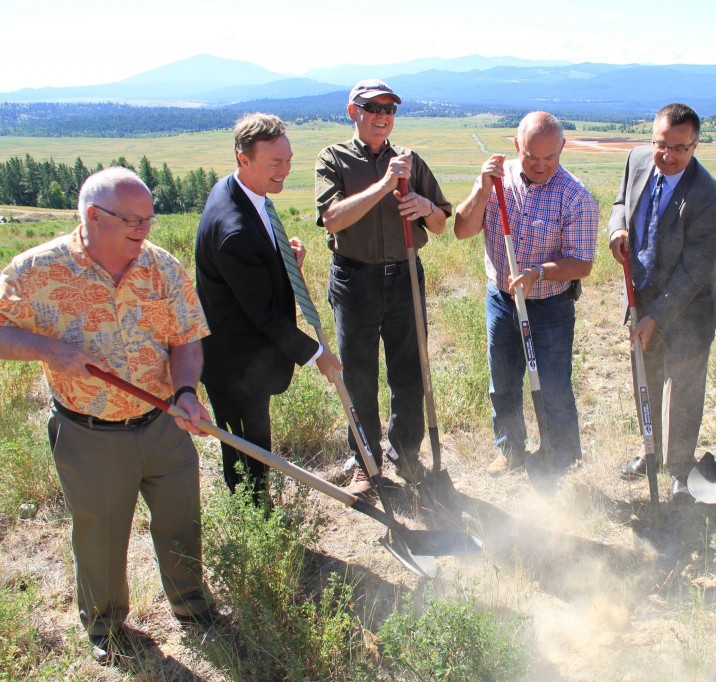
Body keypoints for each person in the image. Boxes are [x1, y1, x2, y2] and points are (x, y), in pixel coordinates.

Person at [0, 168, 217, 664]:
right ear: (94, 217)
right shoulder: (37, 270)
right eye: (134, 220)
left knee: (181, 522)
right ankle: (106, 628)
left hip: (163, 425)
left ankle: (192, 609)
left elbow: (185, 338)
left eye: (150, 219)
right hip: (90, 434)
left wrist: (185, 391)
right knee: (99, 534)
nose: (145, 229)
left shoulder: (161, 267)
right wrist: (46, 348)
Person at [196, 113, 342, 505]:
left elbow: (251, 272)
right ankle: (255, 525)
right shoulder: (235, 230)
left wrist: (283, 257)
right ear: (244, 158)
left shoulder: (238, 191)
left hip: (245, 352)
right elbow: (263, 314)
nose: (285, 170)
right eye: (275, 163)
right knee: (249, 451)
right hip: (235, 362)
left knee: (254, 443)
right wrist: (317, 355)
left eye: (289, 159)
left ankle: (257, 514)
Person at [314, 79, 451, 497]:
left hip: (405, 273)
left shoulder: (411, 162)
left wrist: (426, 208)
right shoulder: (333, 158)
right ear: (353, 111)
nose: (382, 116)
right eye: (372, 108)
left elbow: (442, 222)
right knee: (358, 375)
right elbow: (333, 219)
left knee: (410, 370)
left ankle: (406, 454)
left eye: (389, 109)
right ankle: (364, 460)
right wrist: (384, 186)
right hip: (355, 280)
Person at [454, 111, 599, 480]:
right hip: (502, 300)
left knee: (553, 384)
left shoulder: (576, 197)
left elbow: (580, 264)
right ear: (517, 146)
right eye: (532, 156)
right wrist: (482, 188)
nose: (541, 165)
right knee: (502, 382)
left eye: (550, 157)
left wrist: (538, 273)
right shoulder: (497, 183)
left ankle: (561, 456)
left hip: (550, 306)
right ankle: (510, 450)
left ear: (562, 149)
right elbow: (462, 229)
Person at [609, 103, 716, 501]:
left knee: (683, 390)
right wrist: (618, 229)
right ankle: (650, 453)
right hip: (640, 297)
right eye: (661, 144)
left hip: (687, 308)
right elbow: (620, 204)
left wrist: (656, 318)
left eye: (679, 148)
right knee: (647, 380)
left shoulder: (709, 198)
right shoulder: (638, 160)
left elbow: (693, 273)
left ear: (695, 145)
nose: (668, 155)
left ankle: (679, 468)